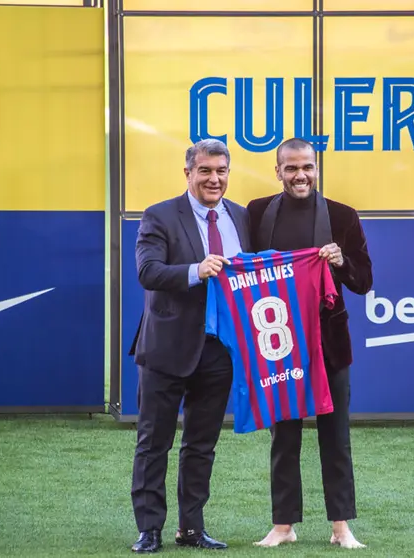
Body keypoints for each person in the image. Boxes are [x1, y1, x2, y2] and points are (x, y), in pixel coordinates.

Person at [246, 137, 373, 550]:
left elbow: (364, 281)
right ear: (278, 171)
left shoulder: (342, 216)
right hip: (278, 344)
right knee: (284, 437)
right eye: (291, 168)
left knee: (335, 436)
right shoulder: (257, 212)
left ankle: (341, 527)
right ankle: (283, 525)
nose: (300, 175)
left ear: (317, 169)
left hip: (329, 345)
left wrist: (340, 262)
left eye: (307, 168)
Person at [129, 138, 250, 553]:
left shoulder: (242, 217)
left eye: (221, 171)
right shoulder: (158, 215)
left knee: (201, 447)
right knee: (153, 443)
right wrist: (196, 271)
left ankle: (192, 530)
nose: (213, 179)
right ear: (188, 173)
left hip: (218, 350)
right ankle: (149, 530)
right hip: (166, 349)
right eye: (205, 171)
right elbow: (148, 272)